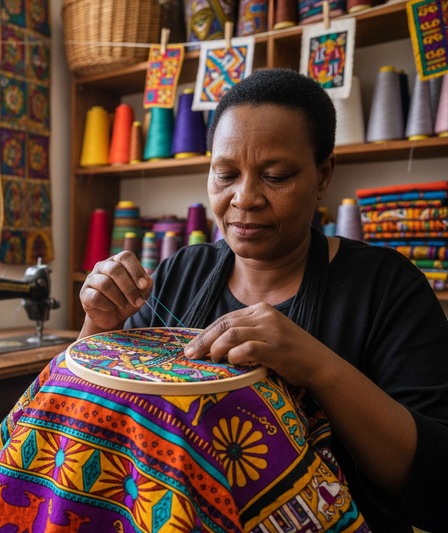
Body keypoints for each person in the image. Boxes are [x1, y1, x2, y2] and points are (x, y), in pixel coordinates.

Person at [79, 69, 448, 533]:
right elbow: (101, 425)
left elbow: (437, 488)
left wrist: (318, 367)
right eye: (226, 174)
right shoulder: (179, 273)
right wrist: (98, 327)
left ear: (322, 176)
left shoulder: (388, 288)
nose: (245, 198)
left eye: (275, 176)